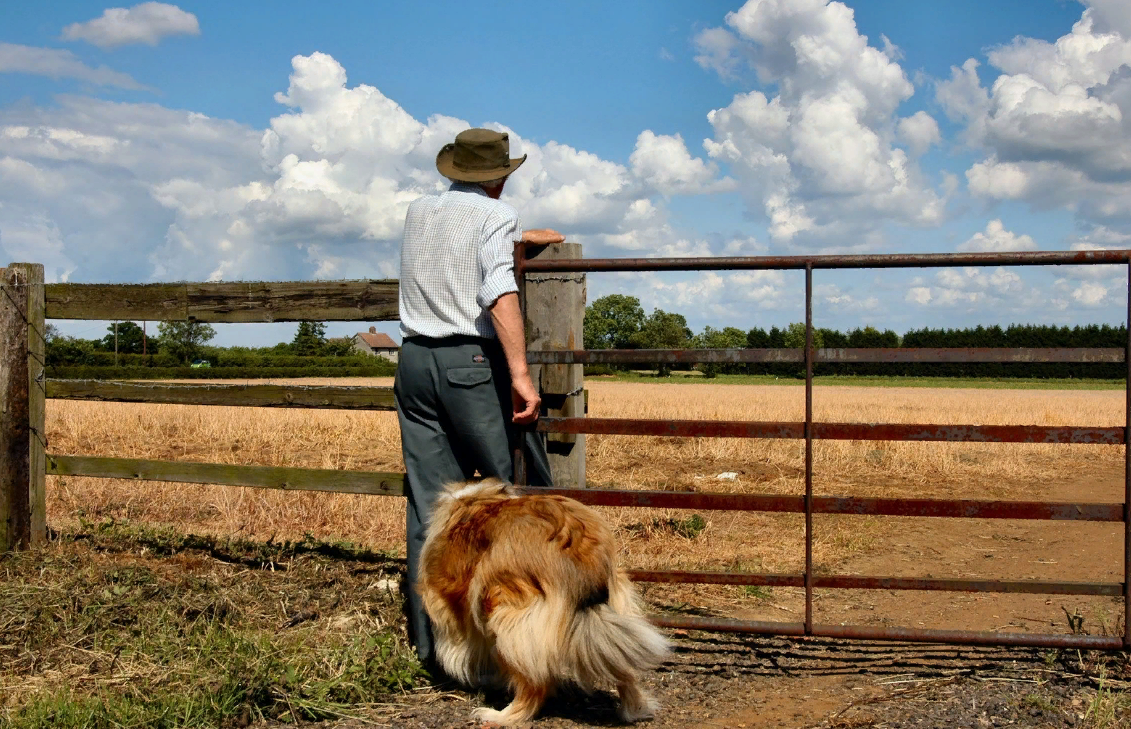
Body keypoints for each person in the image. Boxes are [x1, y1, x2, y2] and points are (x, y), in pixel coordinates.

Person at [395, 127, 562, 669]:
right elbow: (497, 290)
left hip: (415, 361)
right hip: (470, 363)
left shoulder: (420, 211)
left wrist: (520, 238)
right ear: (499, 176)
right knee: (515, 496)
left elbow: (458, 248)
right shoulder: (496, 215)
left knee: (431, 506)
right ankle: (525, 641)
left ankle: (437, 648)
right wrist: (520, 373)